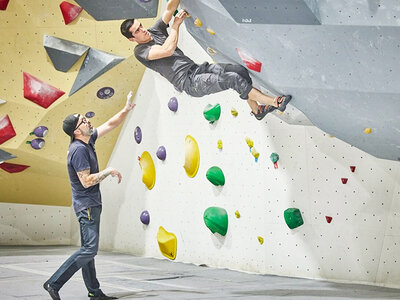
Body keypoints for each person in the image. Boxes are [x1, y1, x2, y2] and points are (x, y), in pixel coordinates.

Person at [120, 0, 291, 121]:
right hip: (190, 82)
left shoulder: (154, 30)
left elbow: (170, 8)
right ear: (132, 39)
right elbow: (167, 49)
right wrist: (175, 25)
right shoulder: (140, 51)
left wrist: (173, 15)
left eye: (141, 25)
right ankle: (274, 102)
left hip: (197, 69)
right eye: (138, 31)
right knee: (231, 80)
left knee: (239, 71)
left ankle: (256, 110)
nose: (143, 30)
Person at [43, 92, 135, 300]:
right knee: (90, 250)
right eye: (84, 121)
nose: (88, 121)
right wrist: (109, 171)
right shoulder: (78, 150)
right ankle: (53, 282)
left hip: (90, 204)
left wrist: (126, 109)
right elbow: (86, 181)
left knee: (88, 251)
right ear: (76, 131)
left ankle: (94, 291)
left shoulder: (88, 141)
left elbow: (110, 124)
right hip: (87, 206)